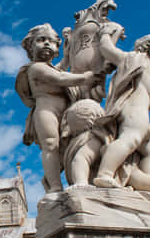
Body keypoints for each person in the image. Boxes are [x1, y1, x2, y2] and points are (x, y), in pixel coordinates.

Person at [16, 23, 99, 193]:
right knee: (50, 145)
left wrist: (68, 52)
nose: (47, 43)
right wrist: (86, 77)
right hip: (46, 111)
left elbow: (61, 67)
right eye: (41, 40)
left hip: (64, 112)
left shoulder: (50, 67)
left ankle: (51, 179)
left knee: (63, 148)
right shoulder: (35, 68)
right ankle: (55, 186)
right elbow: (60, 77)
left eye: (52, 42)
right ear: (31, 46)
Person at [93, 33, 150, 189]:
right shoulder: (135, 59)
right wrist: (106, 33)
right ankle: (105, 173)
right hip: (133, 110)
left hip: (142, 113)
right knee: (131, 138)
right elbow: (107, 49)